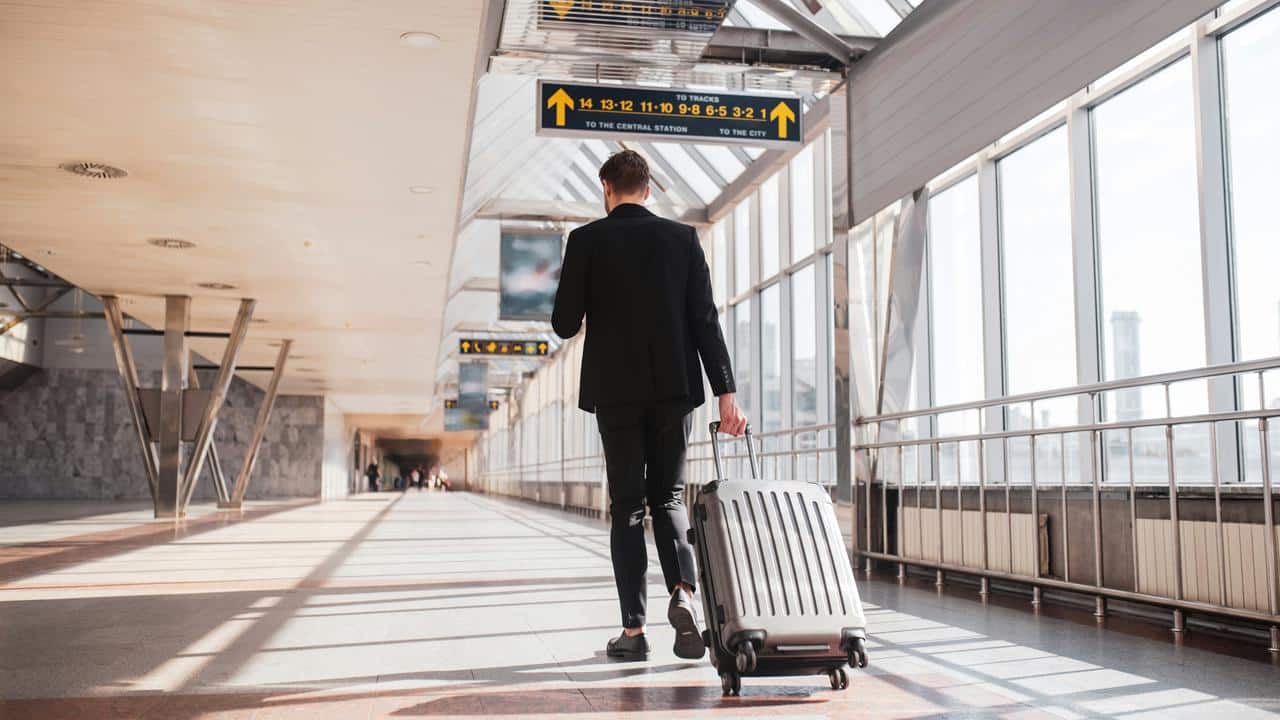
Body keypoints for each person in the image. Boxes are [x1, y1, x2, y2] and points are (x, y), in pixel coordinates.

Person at [552, 149, 746, 662]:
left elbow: (564, 323)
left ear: (606, 190)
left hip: (615, 392)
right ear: (649, 189)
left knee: (627, 508)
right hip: (673, 389)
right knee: (668, 499)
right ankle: (683, 591)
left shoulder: (586, 241)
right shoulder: (682, 239)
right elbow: (705, 319)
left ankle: (634, 633)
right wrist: (727, 390)